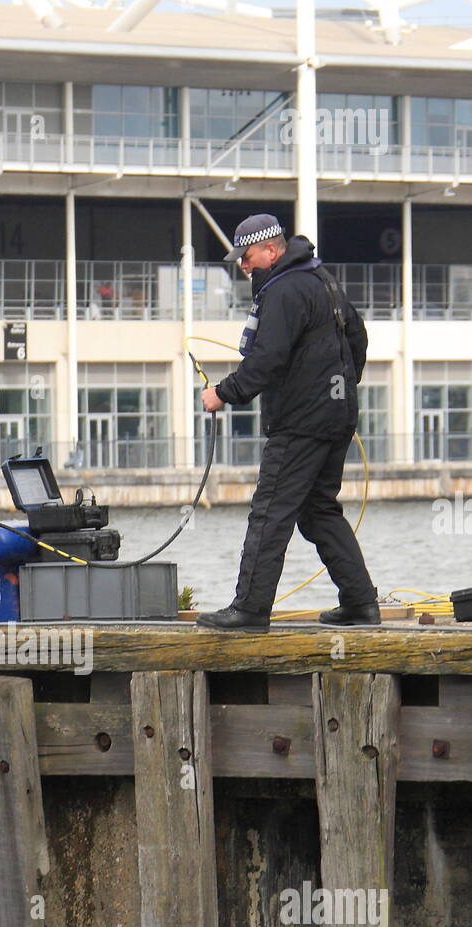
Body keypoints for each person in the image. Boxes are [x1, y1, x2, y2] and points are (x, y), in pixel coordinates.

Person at [196, 213, 379, 632]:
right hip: (337, 416)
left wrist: (222, 393)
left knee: (270, 512)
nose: (243, 266)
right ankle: (360, 604)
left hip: (301, 422)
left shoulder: (283, 290)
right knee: (318, 511)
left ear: (272, 250)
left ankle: (249, 609)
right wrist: (342, 389)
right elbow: (358, 338)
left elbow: (267, 359)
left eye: (247, 256)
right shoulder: (322, 280)